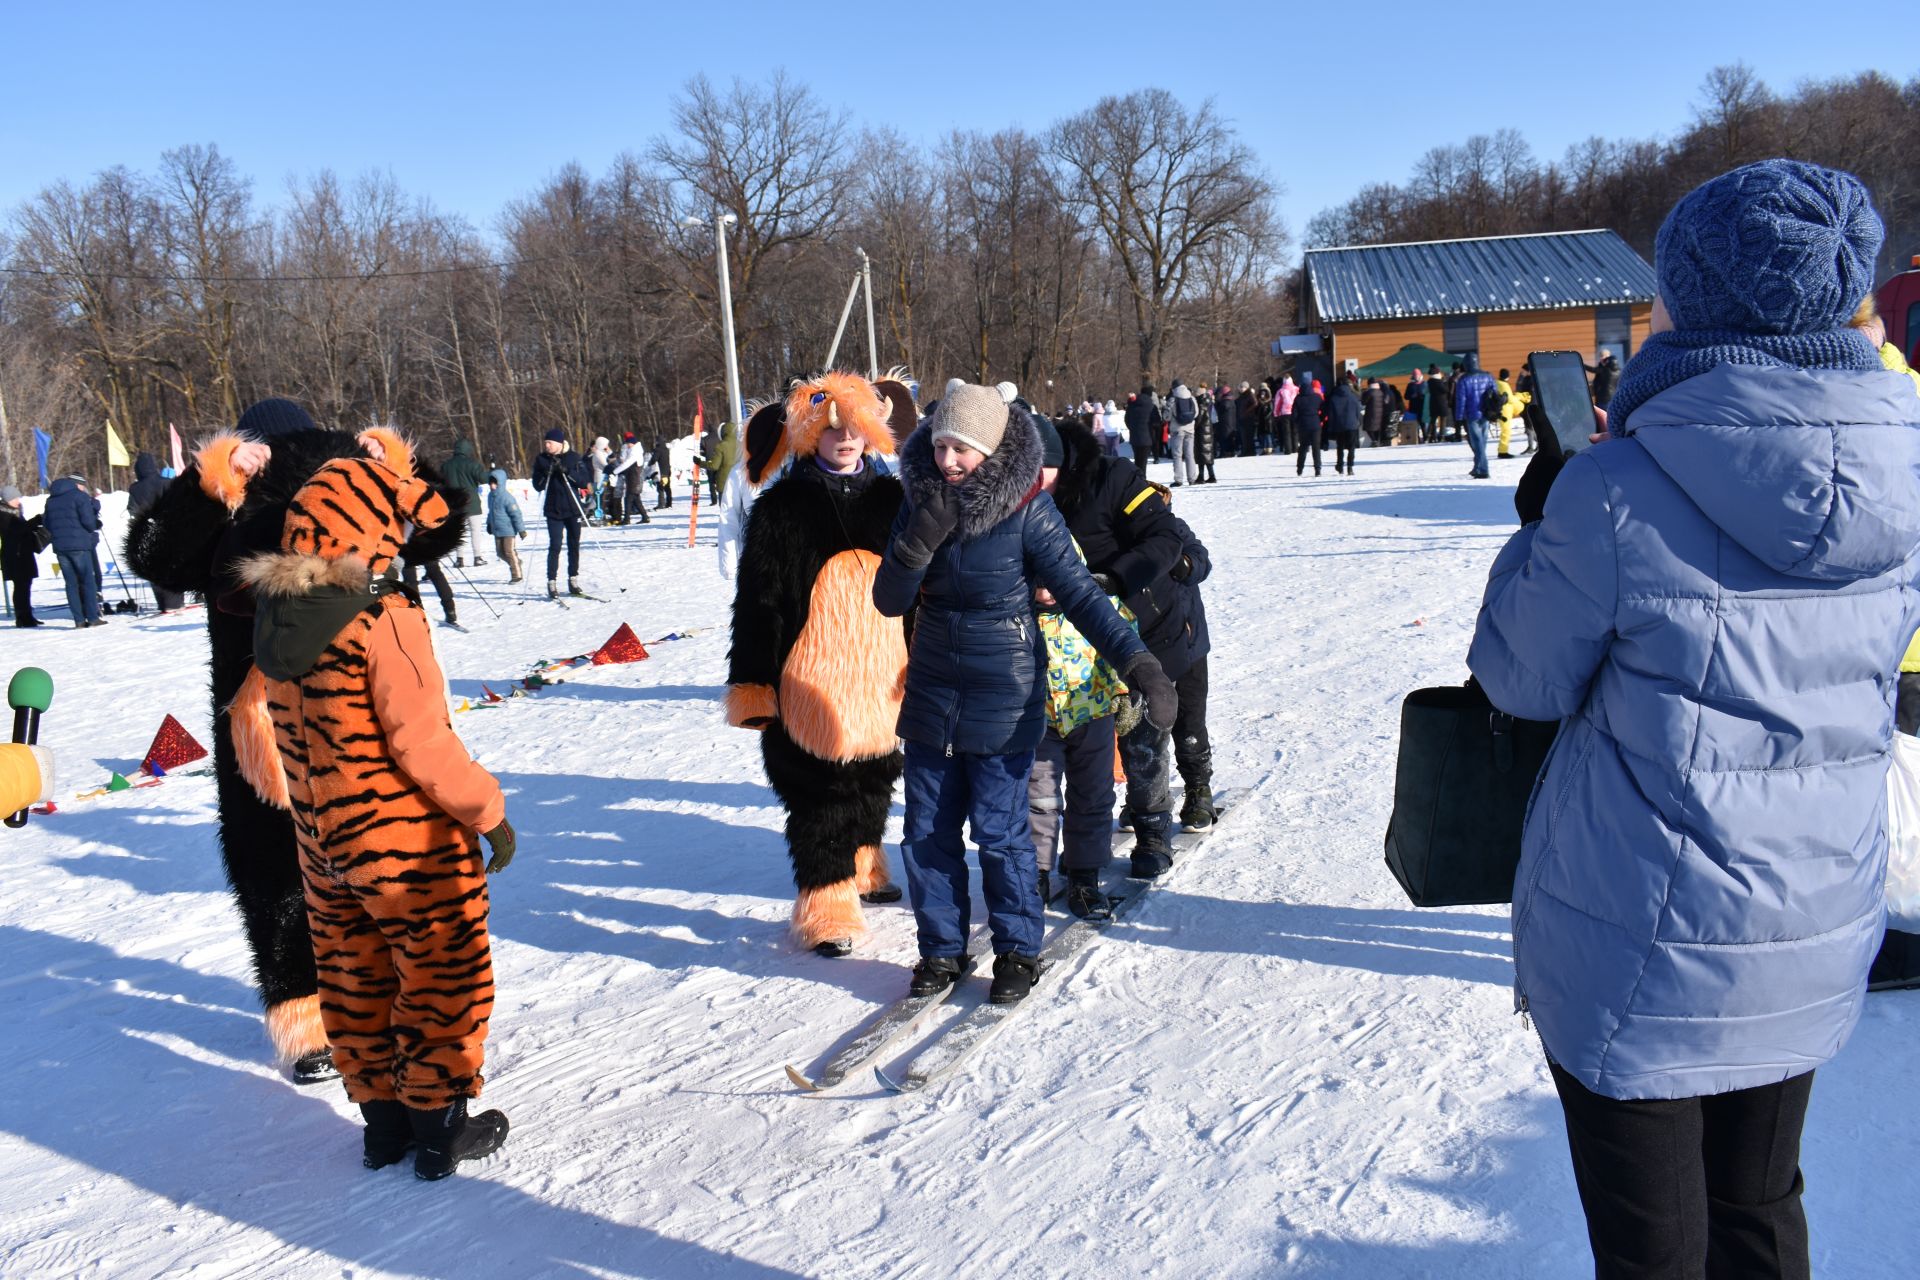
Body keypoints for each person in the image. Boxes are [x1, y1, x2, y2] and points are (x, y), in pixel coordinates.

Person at [1468, 159, 1919, 1279]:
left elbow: (1517, 676)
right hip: (1813, 924)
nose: (1651, 308)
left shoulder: (1620, 490)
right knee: (1762, 1206)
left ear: (1706, 302)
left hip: (1644, 953)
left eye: (1666, 286)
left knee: (1655, 1247)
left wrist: (1546, 521)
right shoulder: (1906, 468)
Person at [126, 396, 469, 1084]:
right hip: (269, 724)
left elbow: (438, 528)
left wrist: (394, 465)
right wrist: (210, 481)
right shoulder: (233, 506)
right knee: (285, 871)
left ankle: (376, 1009)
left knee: (357, 863)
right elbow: (155, 556)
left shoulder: (351, 489)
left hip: (356, 710)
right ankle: (319, 1018)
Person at [241, 431, 513, 1181]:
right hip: (404, 835)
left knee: (355, 975)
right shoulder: (379, 615)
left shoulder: (280, 616)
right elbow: (422, 743)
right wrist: (489, 811)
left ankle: (383, 1127)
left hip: (323, 840)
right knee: (440, 970)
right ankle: (439, 1127)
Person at [873, 383, 1174, 1004]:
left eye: (962, 449)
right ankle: (942, 950)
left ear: (991, 450)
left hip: (1006, 694)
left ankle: (1015, 949)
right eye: (939, 445)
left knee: (1002, 831)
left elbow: (1083, 595)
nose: (947, 460)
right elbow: (888, 600)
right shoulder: (918, 503)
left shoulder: (1030, 511)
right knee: (925, 832)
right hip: (932, 690)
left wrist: (1139, 663)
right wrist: (914, 545)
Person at [727, 372, 917, 955]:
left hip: (885, 675)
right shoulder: (781, 509)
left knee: (876, 776)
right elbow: (758, 603)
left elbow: (921, 591)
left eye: (856, 429)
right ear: (811, 436)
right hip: (810, 678)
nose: (846, 440)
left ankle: (865, 862)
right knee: (819, 792)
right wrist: (754, 685)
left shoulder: (896, 500)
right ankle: (825, 904)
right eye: (833, 431)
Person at [1048, 415, 1213, 869]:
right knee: (1105, 739)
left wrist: (1115, 580)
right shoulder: (1022, 495)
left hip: (1156, 625)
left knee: (1158, 730)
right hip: (1081, 639)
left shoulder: (1115, 478)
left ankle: (1161, 822)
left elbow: (1173, 543)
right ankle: (1124, 814)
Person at [1027, 415, 1136, 919]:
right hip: (1036, 706)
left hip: (1089, 698)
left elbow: (1113, 619)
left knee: (1093, 795)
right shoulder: (1011, 547)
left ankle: (1085, 873)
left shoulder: (1068, 552)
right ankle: (1038, 872)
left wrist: (1126, 682)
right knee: (1038, 798)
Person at [530, 428, 591, 598]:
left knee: (574, 545)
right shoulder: (542, 459)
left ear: (559, 443)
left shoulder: (573, 457)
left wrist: (566, 471)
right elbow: (537, 485)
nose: (547, 445)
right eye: (546, 443)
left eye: (550, 443)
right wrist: (547, 473)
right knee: (555, 545)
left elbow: (584, 481)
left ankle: (573, 579)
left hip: (572, 508)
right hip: (553, 510)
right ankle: (551, 582)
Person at [126, 453, 186, 613]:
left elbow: (131, 509)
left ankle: (162, 603)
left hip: (146, 531)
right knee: (172, 565)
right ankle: (175, 602)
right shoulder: (167, 483)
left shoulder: (135, 489)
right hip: (168, 528)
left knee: (153, 566)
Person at [43, 474, 104, 628]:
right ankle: (92, 617)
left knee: (71, 583)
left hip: (60, 547)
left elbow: (47, 524)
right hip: (79, 545)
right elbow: (88, 522)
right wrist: (95, 524)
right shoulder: (79, 497)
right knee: (87, 581)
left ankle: (78, 620)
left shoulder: (50, 500)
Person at [440, 439, 490, 567]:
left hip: (455, 505)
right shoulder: (473, 464)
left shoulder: (446, 466)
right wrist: (491, 468)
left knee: (459, 533)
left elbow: (440, 483)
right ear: (468, 450)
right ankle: (477, 557)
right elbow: (484, 478)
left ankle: (459, 559)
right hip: (472, 504)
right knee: (475, 532)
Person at [1, 486, 44, 627]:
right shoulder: (4, 514)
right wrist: (36, 521)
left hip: (22, 554)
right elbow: (17, 531)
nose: (18, 500)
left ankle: (27, 615)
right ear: (8, 500)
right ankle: (22, 617)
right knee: (21, 587)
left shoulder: (15, 512)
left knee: (25, 586)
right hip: (15, 556)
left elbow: (22, 528)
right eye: (15, 498)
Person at [1452, 354, 1495, 479]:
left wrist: (1458, 417)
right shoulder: (1488, 376)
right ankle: (1477, 467)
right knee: (1482, 442)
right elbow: (1495, 393)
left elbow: (1461, 400)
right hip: (1486, 413)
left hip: (1472, 414)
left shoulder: (1464, 379)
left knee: (1477, 443)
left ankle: (1483, 469)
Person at [486, 468, 526, 583]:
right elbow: (490, 512)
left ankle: (516, 575)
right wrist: (489, 524)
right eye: (490, 483)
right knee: (500, 553)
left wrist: (521, 530)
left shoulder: (507, 498)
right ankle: (516, 562)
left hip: (508, 530)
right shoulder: (490, 496)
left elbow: (516, 514)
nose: (492, 486)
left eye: (494, 483)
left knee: (509, 551)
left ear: (500, 483)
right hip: (497, 530)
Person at [609, 432, 649, 526]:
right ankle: (645, 516)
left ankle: (627, 519)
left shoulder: (635, 452)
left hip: (634, 479)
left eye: (628, 443)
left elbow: (626, 464)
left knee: (628, 498)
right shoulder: (634, 450)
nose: (627, 445)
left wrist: (615, 471)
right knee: (636, 499)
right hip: (633, 478)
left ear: (632, 443)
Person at [1325, 378, 1362, 474]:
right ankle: (1350, 467)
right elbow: (1358, 411)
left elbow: (1331, 415)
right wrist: (1358, 421)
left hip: (1339, 425)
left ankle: (1340, 465)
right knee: (1351, 447)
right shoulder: (1353, 397)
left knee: (1340, 446)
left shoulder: (1334, 398)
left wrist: (1331, 427)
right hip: (1352, 425)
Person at [1166, 379, 1199, 486]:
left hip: (1177, 431)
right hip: (1190, 430)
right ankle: (1192, 479)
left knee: (1177, 456)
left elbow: (1167, 417)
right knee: (1190, 455)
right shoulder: (1192, 398)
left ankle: (1179, 480)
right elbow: (1196, 413)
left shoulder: (1173, 400)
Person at [1123, 385, 1161, 473]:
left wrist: (1132, 428)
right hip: (1147, 437)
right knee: (1143, 463)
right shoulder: (1151, 406)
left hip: (1134, 437)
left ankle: (1137, 480)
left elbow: (1127, 420)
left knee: (1137, 460)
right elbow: (1157, 422)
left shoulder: (1132, 405)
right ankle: (1141, 482)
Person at [1293, 378, 1326, 476]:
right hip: (1315, 424)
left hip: (1303, 425)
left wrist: (1298, 422)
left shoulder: (1298, 399)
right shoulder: (1317, 397)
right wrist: (1320, 419)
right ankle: (1317, 469)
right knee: (1316, 448)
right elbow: (1324, 410)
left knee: (1303, 448)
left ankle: (1300, 469)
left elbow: (1294, 414)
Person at [1359, 378, 1392, 449]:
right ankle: (1376, 441)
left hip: (1371, 412)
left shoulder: (1369, 392)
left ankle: (1374, 441)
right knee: (1376, 427)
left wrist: (1363, 394)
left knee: (1368, 428)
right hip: (1379, 413)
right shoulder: (1380, 392)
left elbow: (1363, 402)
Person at [651, 438, 674, 509]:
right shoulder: (666, 449)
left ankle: (661, 504)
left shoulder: (658, 450)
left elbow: (654, 459)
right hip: (667, 471)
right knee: (667, 488)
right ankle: (669, 503)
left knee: (660, 488)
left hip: (661, 471)